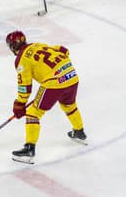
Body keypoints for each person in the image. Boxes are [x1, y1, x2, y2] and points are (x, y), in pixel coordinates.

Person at [5, 30, 87, 164]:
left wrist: (20, 103)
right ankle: (79, 131)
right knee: (69, 105)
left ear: (13, 46)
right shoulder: (37, 45)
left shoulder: (21, 60)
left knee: (33, 114)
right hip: (71, 75)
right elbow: (61, 50)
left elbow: (24, 86)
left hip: (54, 83)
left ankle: (29, 149)